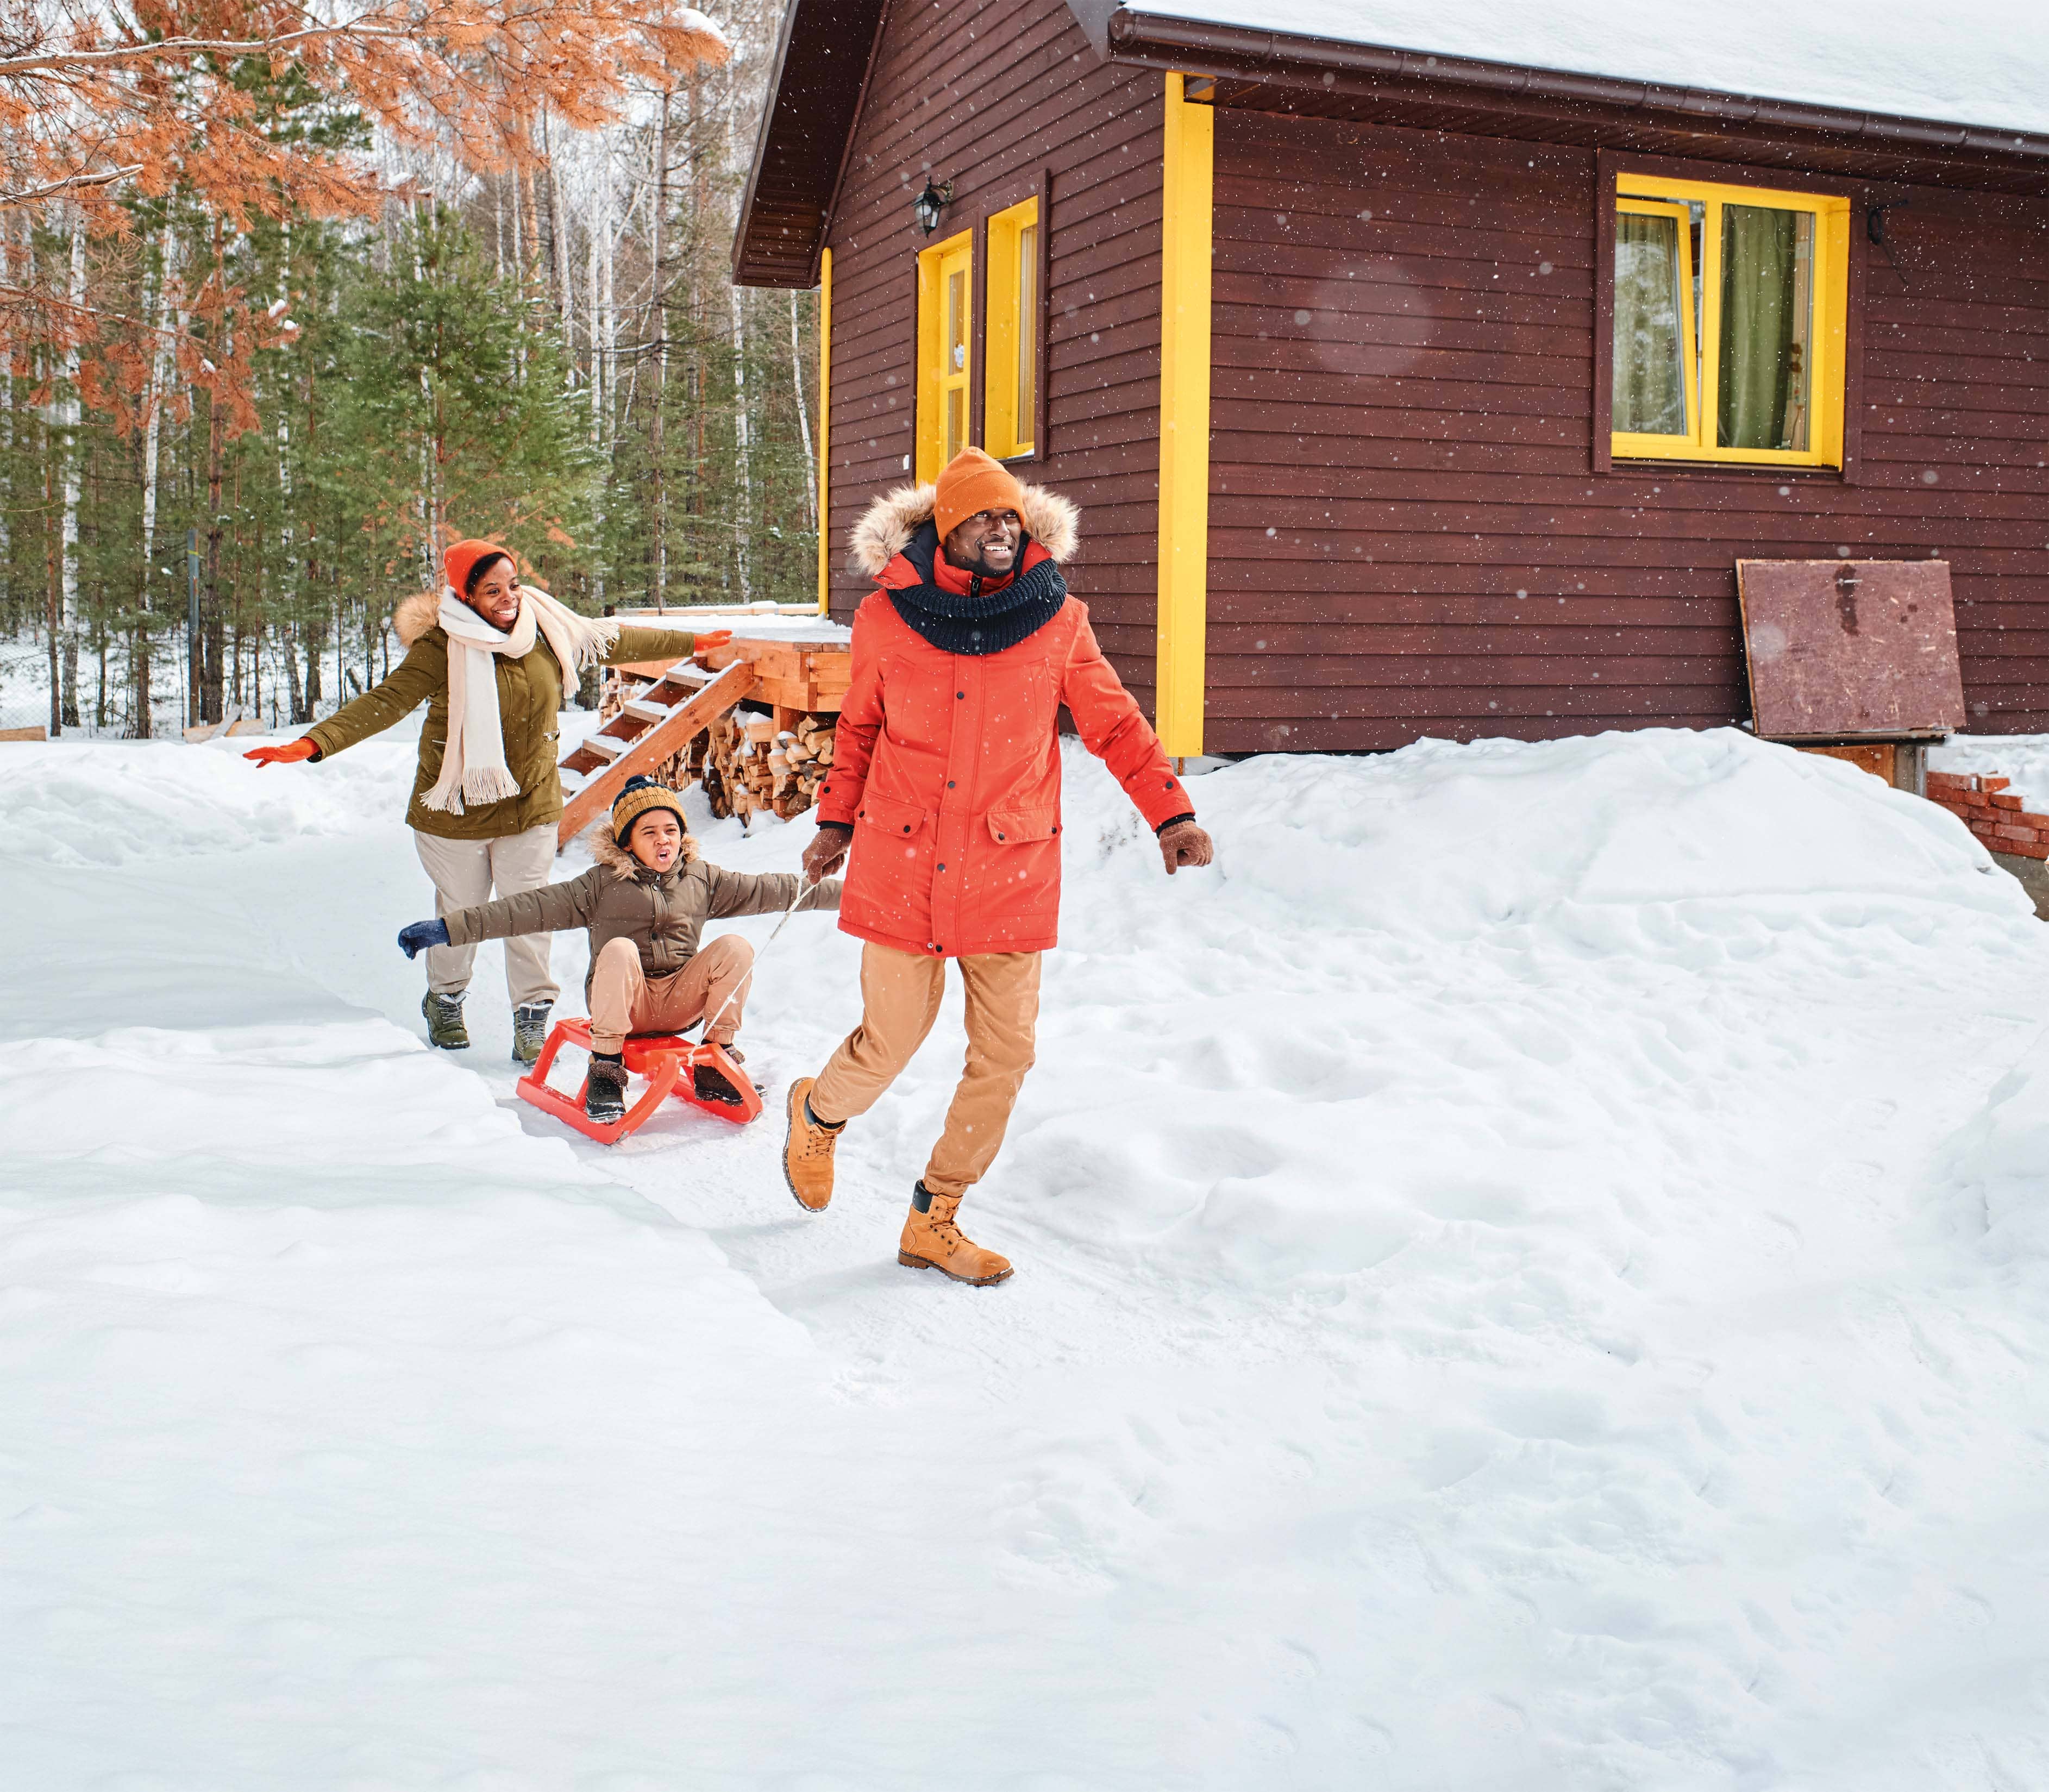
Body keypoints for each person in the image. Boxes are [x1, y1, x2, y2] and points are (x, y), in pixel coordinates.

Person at [781, 447, 1214, 1286]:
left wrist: (1171, 812)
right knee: (890, 1040)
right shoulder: (885, 618)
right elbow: (859, 730)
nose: (1002, 528)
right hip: (902, 858)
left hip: (1009, 866)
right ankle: (818, 1112)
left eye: (1012, 515)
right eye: (984, 516)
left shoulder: (1058, 619)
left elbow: (1116, 725)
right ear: (947, 528)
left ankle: (934, 1216)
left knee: (1004, 1056)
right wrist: (835, 821)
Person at [245, 540, 730, 1064]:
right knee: (464, 910)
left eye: (513, 585)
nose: (508, 598)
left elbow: (610, 639)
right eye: (491, 590)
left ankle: (531, 1015)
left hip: (531, 805)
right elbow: (386, 700)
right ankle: (446, 999)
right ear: (465, 594)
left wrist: (693, 640)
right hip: (454, 811)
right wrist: (315, 743)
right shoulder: (441, 647)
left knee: (532, 911)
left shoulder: (546, 628)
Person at [396, 776, 842, 1120]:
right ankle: (606, 1070)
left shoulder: (703, 880)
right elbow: (522, 910)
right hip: (623, 1007)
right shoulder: (598, 886)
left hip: (680, 1003)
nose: (663, 839)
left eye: (671, 830)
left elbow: (779, 889)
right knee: (620, 949)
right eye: (649, 832)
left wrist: (855, 898)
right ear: (626, 841)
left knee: (734, 947)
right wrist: (446, 929)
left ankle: (714, 1061)